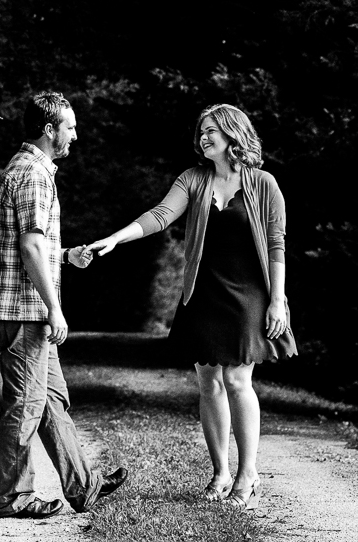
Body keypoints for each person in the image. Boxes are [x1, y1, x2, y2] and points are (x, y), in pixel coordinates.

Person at [85, 103, 295, 510]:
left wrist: (278, 300)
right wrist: (117, 237)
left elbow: (276, 244)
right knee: (208, 381)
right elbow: (161, 215)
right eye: (201, 130)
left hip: (249, 293)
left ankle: (248, 472)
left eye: (212, 129)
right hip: (203, 292)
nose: (204, 136)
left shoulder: (264, 183)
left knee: (237, 380)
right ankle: (220, 472)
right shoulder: (193, 179)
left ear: (233, 133)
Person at [0, 91, 129, 519]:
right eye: (70, 127)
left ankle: (83, 484)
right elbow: (28, 247)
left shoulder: (27, 169)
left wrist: (66, 256)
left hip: (21, 305)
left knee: (51, 399)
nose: (75, 135)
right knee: (25, 402)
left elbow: (26, 246)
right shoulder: (35, 175)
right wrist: (54, 308)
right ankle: (13, 497)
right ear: (49, 130)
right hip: (25, 309)